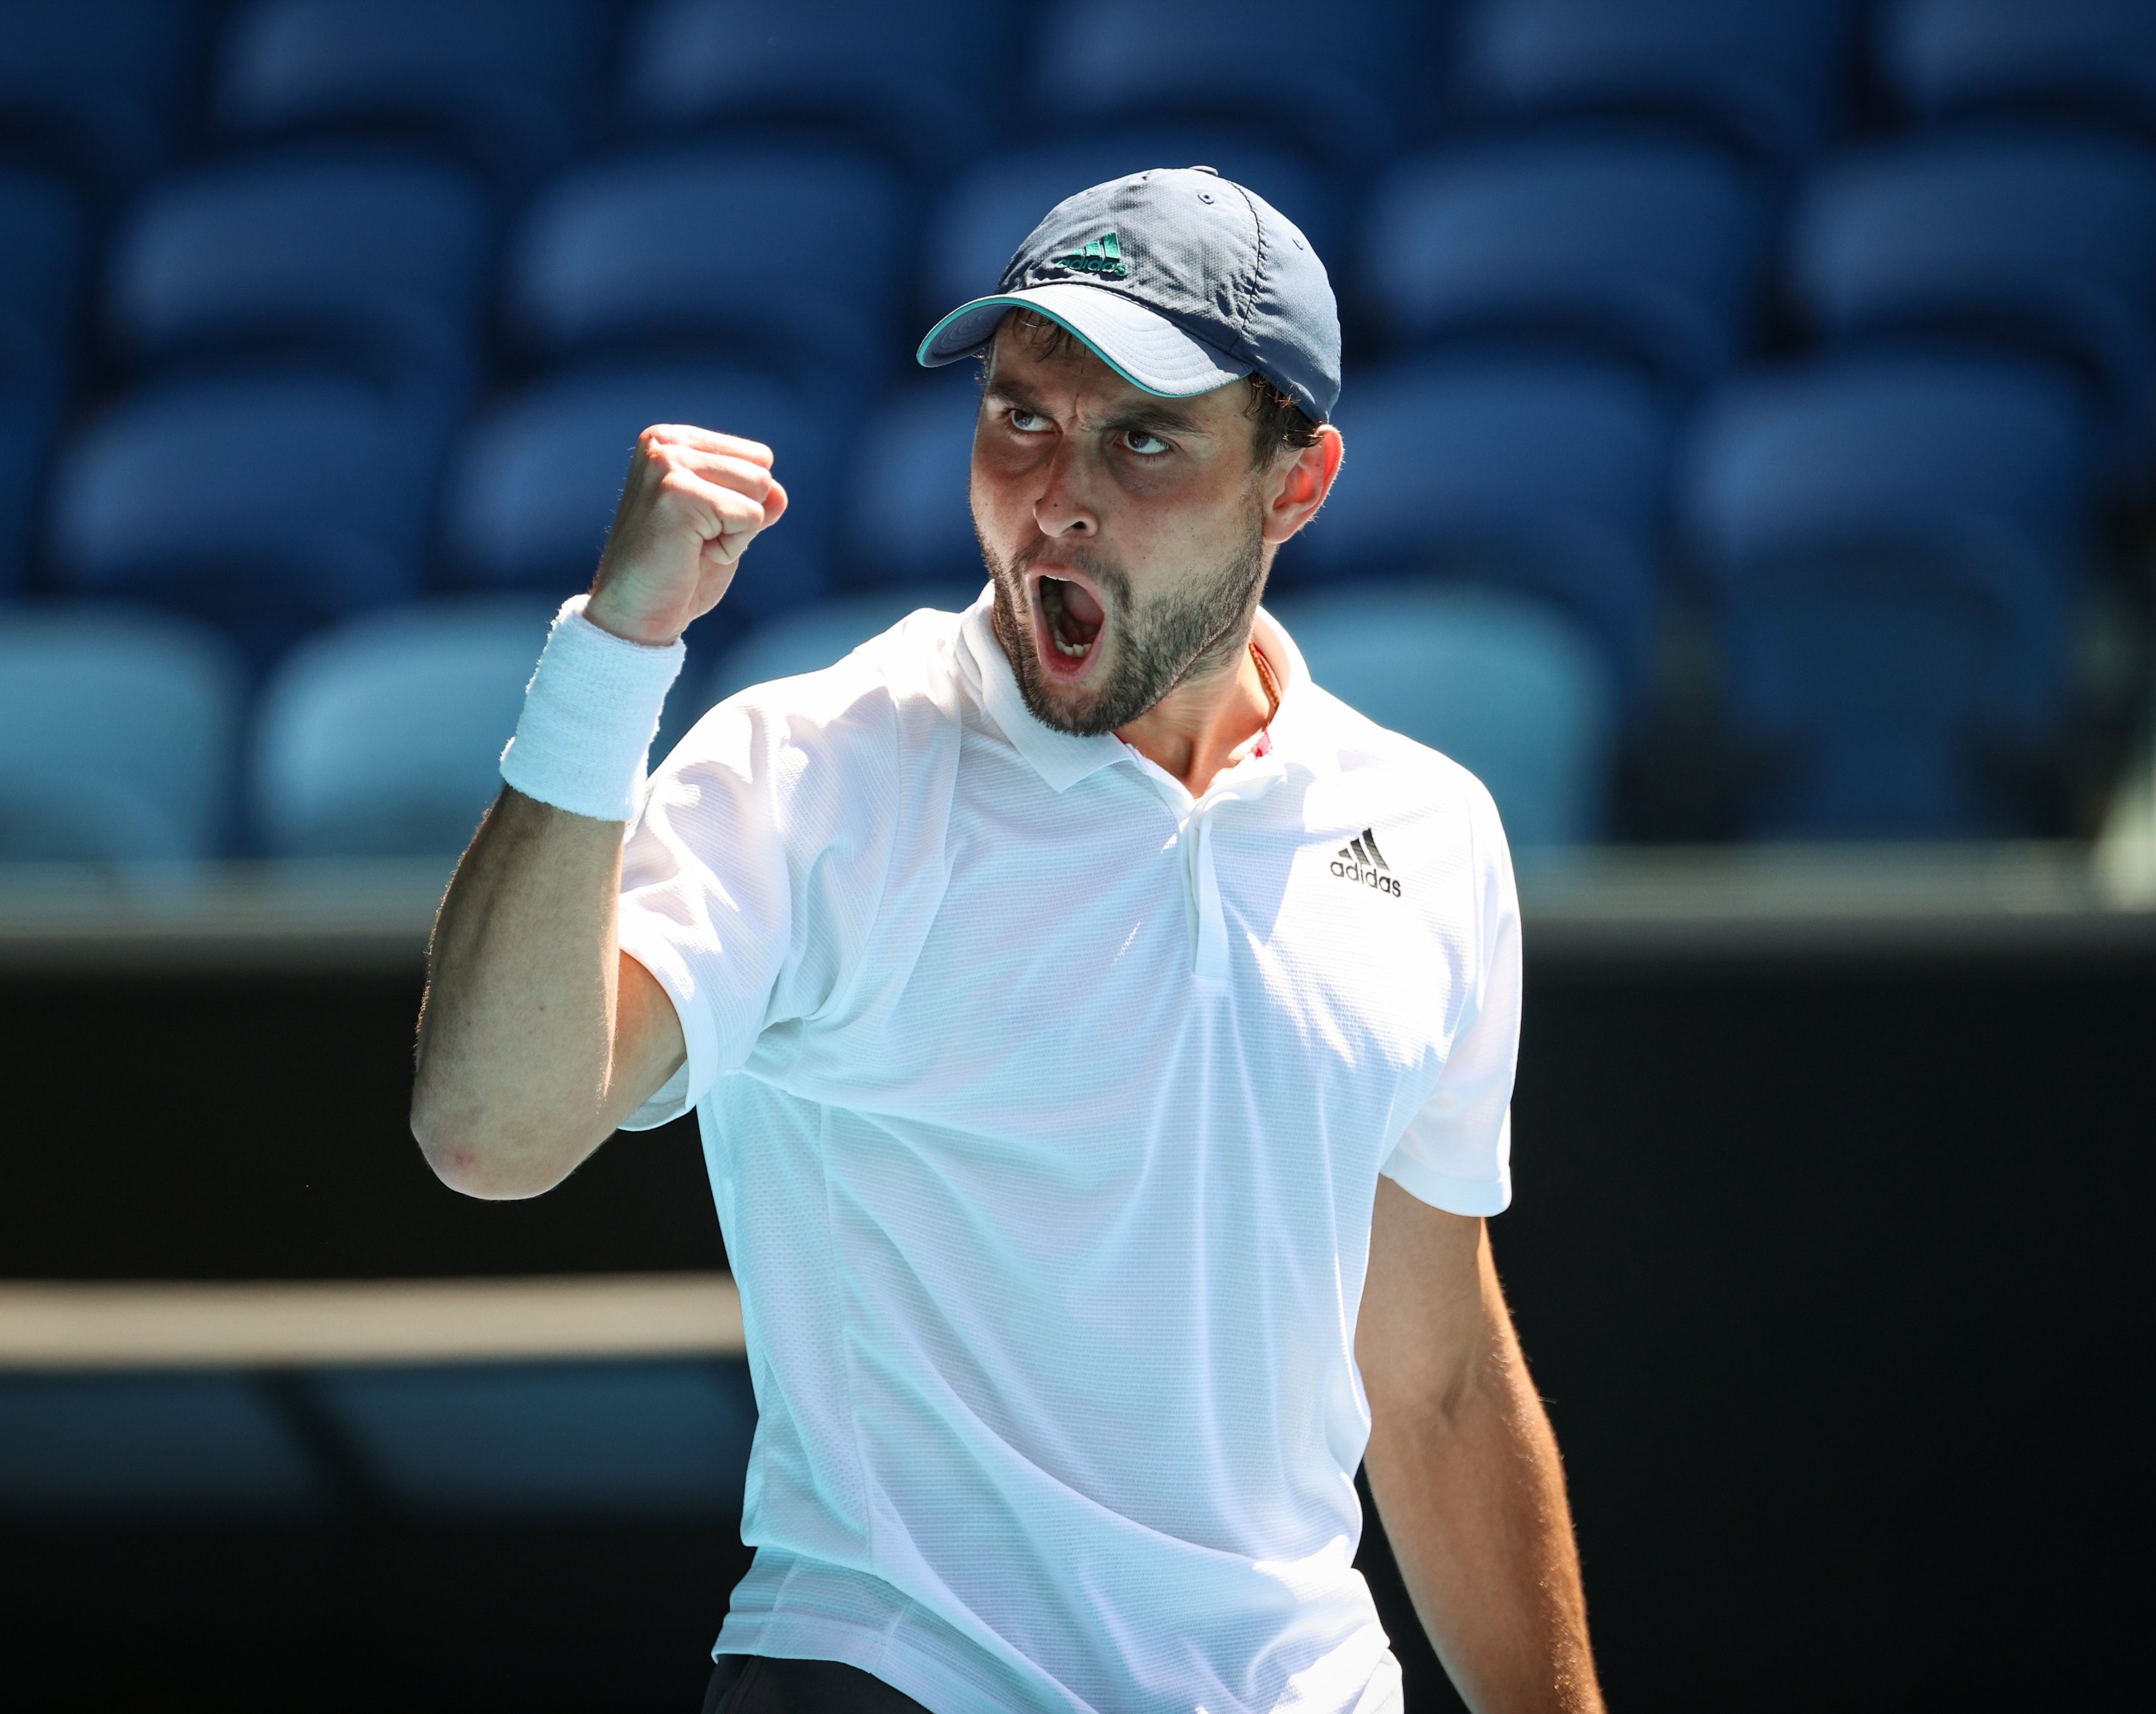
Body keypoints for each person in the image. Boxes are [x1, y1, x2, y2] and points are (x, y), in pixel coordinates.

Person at [411, 167, 1602, 1714]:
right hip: (892, 1676)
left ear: (1293, 485)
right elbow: (490, 1130)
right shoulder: (812, 765)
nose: (1056, 497)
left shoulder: (1428, 831)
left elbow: (1433, 1382)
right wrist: (617, 653)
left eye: (1142, 438)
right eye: (1020, 417)